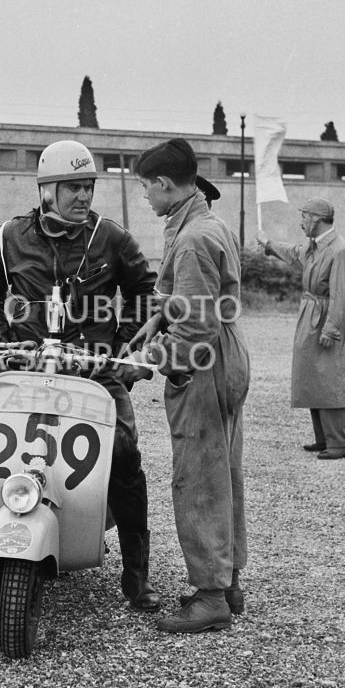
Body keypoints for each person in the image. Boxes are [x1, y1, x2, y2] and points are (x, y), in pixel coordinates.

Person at [0, 139, 161, 612]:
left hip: (91, 368)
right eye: (72, 187)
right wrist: (0, 336)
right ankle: (8, 503)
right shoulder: (10, 235)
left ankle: (136, 572)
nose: (84, 196)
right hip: (25, 361)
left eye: (88, 187)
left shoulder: (112, 238)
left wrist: (119, 349)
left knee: (124, 452)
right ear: (47, 190)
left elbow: (144, 294)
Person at [130, 138, 250, 633]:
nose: (145, 198)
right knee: (224, 473)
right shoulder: (204, 224)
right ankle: (228, 582)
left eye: (146, 188)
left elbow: (196, 330)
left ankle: (210, 597)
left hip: (204, 363)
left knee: (199, 480)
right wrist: (156, 320)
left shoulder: (193, 238)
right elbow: (192, 298)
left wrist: (146, 360)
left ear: (164, 183)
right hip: (223, 355)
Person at [257, 198, 345, 459]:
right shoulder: (315, 247)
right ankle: (324, 438)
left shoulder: (340, 251)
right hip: (311, 315)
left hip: (325, 318)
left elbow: (343, 295)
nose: (301, 222)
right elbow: (293, 253)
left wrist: (331, 328)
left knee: (330, 379)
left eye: (303, 217)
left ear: (316, 218)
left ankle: (340, 442)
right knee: (314, 377)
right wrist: (268, 245)